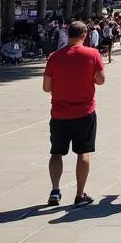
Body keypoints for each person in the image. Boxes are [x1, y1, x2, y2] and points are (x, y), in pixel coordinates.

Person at [42, 20, 105, 207]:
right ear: (84, 35)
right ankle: (80, 194)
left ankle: (55, 190)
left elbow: (46, 87)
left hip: (59, 113)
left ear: (68, 34)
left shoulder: (54, 56)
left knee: (56, 152)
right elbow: (101, 80)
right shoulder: (92, 54)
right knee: (83, 152)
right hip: (84, 112)